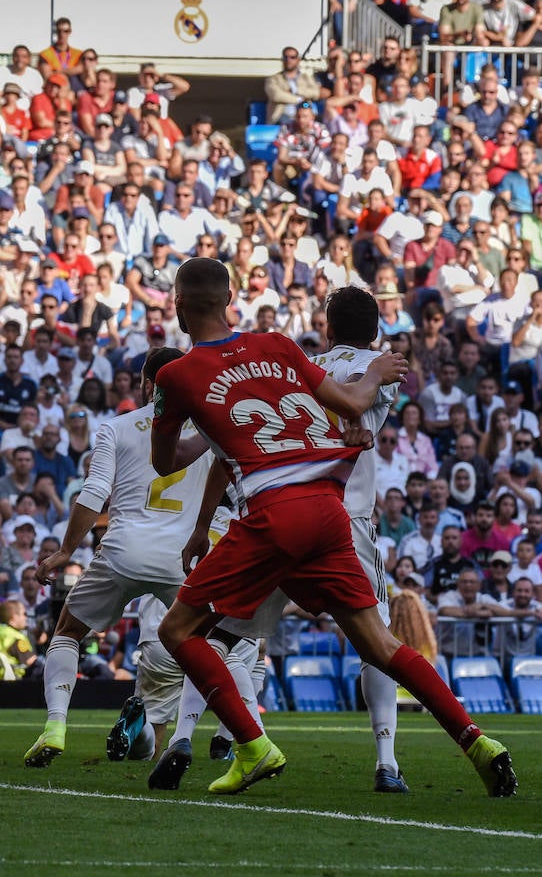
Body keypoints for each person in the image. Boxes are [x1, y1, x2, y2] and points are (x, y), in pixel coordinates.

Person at [149, 257, 514, 797]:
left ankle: (250, 744)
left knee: (179, 630)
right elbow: (352, 401)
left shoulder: (174, 375)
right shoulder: (277, 344)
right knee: (380, 644)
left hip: (272, 514)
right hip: (330, 510)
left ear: (177, 305)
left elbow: (166, 462)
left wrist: (207, 428)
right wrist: (372, 373)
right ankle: (477, 741)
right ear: (230, 299)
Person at [28, 347, 211, 767]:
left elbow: (93, 494)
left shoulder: (116, 427)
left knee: (69, 630)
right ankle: (191, 739)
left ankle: (56, 726)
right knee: (206, 646)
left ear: (147, 384)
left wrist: (65, 551)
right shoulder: (208, 430)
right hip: (180, 559)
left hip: (123, 551)